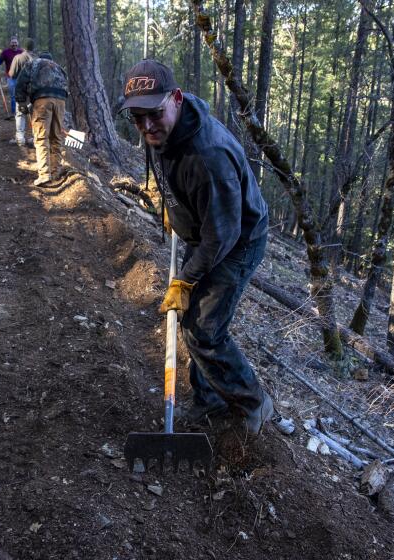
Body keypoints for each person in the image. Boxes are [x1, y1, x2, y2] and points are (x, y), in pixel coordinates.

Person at [118, 59, 273, 435]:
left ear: (175, 98)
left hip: (236, 242)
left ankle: (254, 402)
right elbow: (168, 173)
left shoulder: (208, 156)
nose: (145, 127)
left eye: (152, 115)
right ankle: (210, 400)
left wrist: (186, 281)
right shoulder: (164, 129)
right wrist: (171, 207)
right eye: (136, 119)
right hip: (206, 230)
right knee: (193, 323)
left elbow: (223, 235)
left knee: (205, 329)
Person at [15, 52, 68, 187]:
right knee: (56, 137)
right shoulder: (58, 67)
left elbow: (21, 81)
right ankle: (55, 172)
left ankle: (44, 175)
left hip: (42, 99)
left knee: (41, 137)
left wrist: (21, 102)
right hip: (61, 100)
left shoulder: (33, 63)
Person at [8, 39, 37, 147]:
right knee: (35, 115)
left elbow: (11, 74)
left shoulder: (18, 58)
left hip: (21, 91)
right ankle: (35, 138)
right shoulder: (38, 59)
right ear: (33, 47)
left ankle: (20, 139)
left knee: (20, 114)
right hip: (35, 93)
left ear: (23, 47)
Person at [0, 37, 24, 116]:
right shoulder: (6, 52)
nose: (14, 44)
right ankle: (14, 112)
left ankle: (20, 111)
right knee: (13, 95)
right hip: (10, 77)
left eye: (15, 42)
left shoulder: (21, 52)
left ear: (18, 43)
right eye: (12, 43)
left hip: (20, 77)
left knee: (20, 95)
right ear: (10, 44)